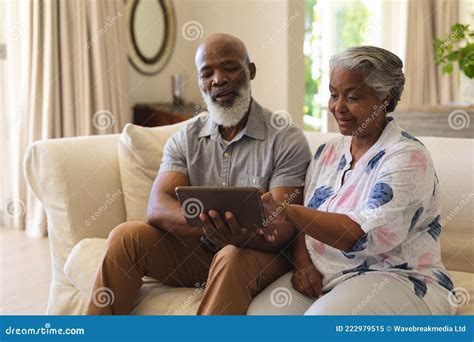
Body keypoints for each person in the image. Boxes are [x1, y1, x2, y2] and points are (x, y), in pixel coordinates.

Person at [86, 33, 312, 315]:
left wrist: (236, 236)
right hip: (198, 249)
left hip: (258, 254)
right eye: (207, 73)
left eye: (229, 68)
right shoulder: (186, 137)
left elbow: (282, 227)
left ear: (250, 71)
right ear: (201, 82)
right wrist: (209, 226)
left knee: (230, 256)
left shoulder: (285, 138)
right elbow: (157, 207)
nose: (218, 79)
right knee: (125, 236)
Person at [262, 46, 456, 315]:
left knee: (322, 323)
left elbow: (364, 237)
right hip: (329, 277)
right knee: (262, 316)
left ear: (384, 98)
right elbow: (306, 227)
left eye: (352, 97)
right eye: (333, 94)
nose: (338, 107)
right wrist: (302, 263)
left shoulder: (407, 156)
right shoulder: (326, 153)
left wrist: (288, 211)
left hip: (397, 277)